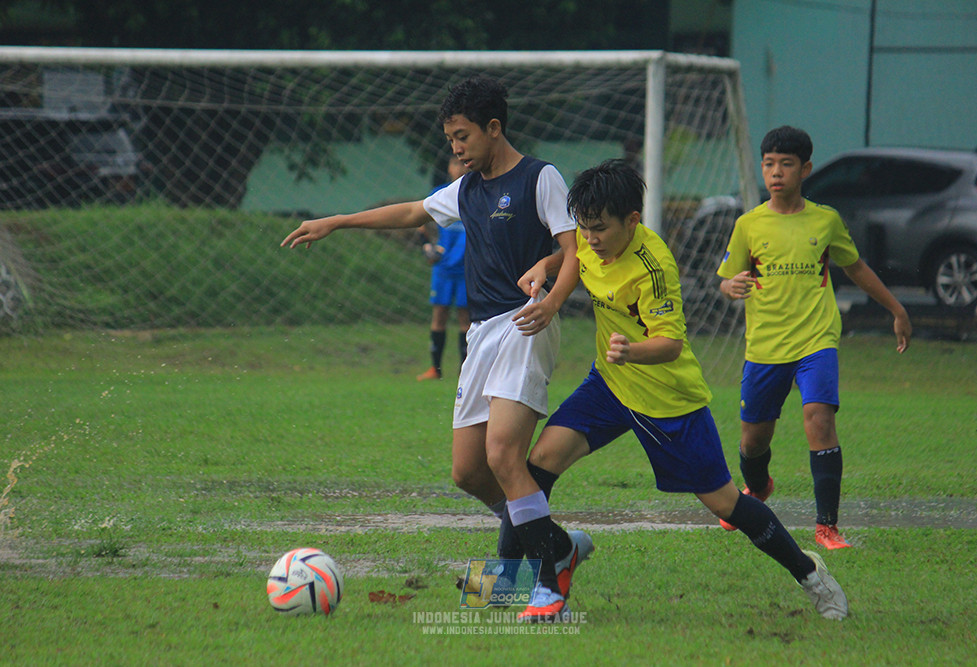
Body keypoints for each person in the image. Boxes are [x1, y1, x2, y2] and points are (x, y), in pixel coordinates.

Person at [508, 159, 849, 623]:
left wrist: (630, 351)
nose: (590, 238)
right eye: (584, 228)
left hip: (669, 402)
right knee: (538, 464)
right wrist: (546, 265)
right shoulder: (591, 240)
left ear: (632, 220)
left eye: (600, 229)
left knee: (726, 503)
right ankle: (542, 579)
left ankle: (811, 574)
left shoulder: (654, 267)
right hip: (609, 387)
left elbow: (669, 345)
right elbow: (574, 257)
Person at [281, 76, 579, 544]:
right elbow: (409, 212)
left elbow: (575, 249)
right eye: (450, 140)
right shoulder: (466, 190)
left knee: (502, 456)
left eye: (463, 136)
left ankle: (535, 579)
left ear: (494, 127)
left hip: (526, 322)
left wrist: (553, 301)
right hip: (482, 333)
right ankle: (554, 544)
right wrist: (337, 221)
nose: (457, 148)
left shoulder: (540, 178)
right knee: (468, 472)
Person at [716, 126, 912, 549]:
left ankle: (827, 526)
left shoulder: (825, 220)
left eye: (786, 164)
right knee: (753, 442)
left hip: (816, 340)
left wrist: (896, 309)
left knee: (820, 421)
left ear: (804, 169)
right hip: (765, 346)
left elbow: (855, 267)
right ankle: (758, 487)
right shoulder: (749, 224)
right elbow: (726, 280)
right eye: (769, 164)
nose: (776, 172)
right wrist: (730, 287)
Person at [417, 154, 471, 381]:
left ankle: (465, 371)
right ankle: (435, 369)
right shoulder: (440, 193)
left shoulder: (476, 192)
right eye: (454, 163)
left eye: (462, 163)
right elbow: (421, 224)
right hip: (443, 268)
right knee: (439, 315)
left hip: (468, 269)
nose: (458, 168)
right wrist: (428, 246)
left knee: (466, 321)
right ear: (449, 167)